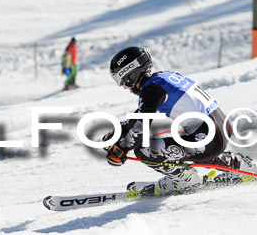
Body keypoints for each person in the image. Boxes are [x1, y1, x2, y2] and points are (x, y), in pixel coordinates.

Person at [103, 46, 244, 196]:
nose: (123, 86)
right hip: (219, 131)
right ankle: (238, 165)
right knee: (184, 145)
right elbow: (141, 115)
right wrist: (121, 131)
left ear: (130, 74)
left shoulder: (151, 89)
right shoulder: (163, 78)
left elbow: (142, 126)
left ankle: (186, 182)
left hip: (208, 139)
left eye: (120, 80)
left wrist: (121, 149)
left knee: (145, 151)